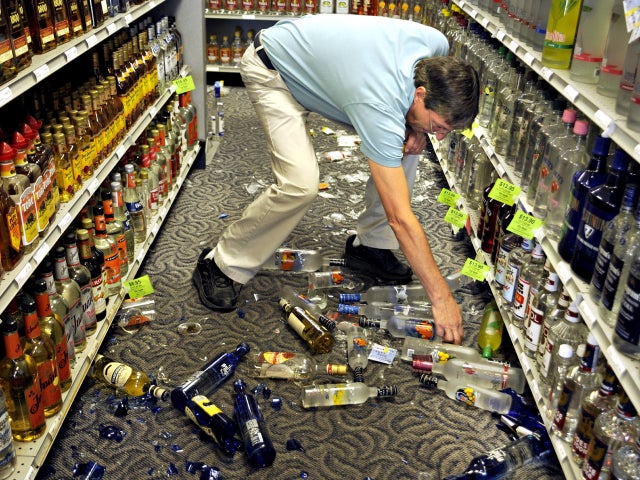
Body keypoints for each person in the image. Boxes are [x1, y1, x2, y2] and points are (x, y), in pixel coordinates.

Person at [193, 14, 479, 345]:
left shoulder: (436, 47)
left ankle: (371, 247)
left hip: (329, 75)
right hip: (273, 70)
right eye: (439, 126)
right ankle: (222, 263)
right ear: (419, 94)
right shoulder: (379, 103)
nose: (440, 138)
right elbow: (401, 218)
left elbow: (414, 115)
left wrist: (418, 127)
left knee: (406, 150)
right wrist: (441, 298)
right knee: (299, 184)